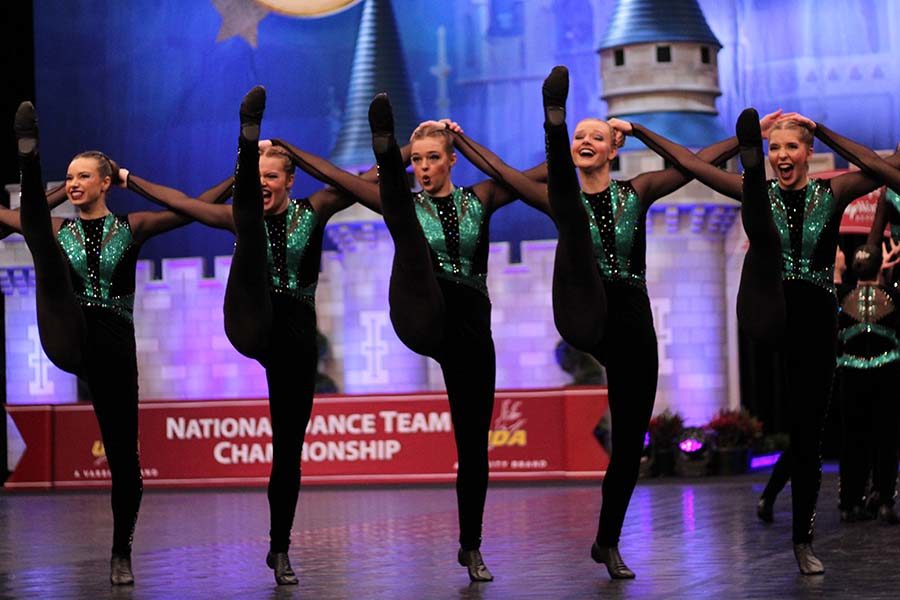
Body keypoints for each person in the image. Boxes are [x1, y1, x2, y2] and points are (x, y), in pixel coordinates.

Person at [616, 105, 900, 574]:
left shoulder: (833, 191)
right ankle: (748, 174)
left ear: (809, 153)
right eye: (774, 148)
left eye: (792, 147)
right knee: (758, 204)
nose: (783, 155)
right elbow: (689, 164)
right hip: (768, 302)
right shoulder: (766, 189)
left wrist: (824, 128)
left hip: (813, 315)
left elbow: (882, 169)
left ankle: (802, 540)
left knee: (807, 436)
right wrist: (642, 131)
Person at [124, 86, 389, 585]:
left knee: (289, 449)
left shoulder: (314, 210)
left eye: (271, 176)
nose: (264, 183)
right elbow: (177, 202)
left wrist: (408, 146)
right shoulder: (237, 212)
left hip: (295, 330)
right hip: (248, 315)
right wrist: (125, 178)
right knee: (247, 227)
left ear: (289, 180)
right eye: (257, 175)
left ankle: (280, 548)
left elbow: (362, 180)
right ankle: (244, 135)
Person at [6, 101, 231, 585]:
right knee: (42, 247)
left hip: (112, 343)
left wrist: (136, 178)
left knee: (125, 460)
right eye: (68, 177)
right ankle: (29, 158)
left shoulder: (132, 228)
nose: (74, 184)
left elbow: (193, 206)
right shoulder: (58, 225)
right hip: (65, 328)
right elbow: (11, 216)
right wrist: (45, 193)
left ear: (105, 183)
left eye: (84, 176)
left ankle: (120, 551)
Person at [364, 92, 563, 582]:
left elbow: (534, 174)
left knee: (474, 445)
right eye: (417, 161)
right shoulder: (407, 197)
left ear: (450, 160)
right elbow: (341, 185)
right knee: (401, 212)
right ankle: (384, 140)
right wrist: (389, 161)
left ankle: (470, 546)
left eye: (434, 158)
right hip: (424, 309)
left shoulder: (480, 198)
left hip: (472, 326)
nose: (426, 167)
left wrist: (463, 138)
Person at [837, 195, 900, 525]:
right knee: (886, 438)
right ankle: (885, 499)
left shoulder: (841, 297)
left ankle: (850, 502)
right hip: (887, 372)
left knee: (853, 440)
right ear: (880, 265)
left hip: (850, 375)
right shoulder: (892, 297)